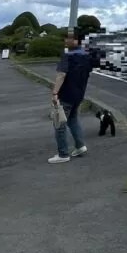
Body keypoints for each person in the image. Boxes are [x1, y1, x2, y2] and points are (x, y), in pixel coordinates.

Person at [48, 34, 93, 164]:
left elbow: (61, 74)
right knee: (73, 119)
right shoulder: (86, 55)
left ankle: (63, 154)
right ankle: (80, 146)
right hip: (79, 94)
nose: (66, 41)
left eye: (69, 38)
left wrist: (55, 92)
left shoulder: (67, 55)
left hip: (66, 94)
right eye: (66, 38)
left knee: (59, 123)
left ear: (76, 40)